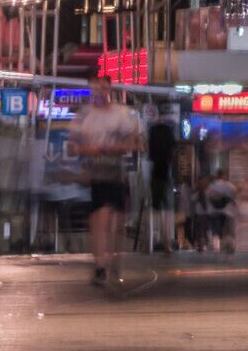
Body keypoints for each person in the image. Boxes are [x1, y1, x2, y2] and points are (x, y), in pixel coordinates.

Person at [74, 85, 142, 286]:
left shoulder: (121, 114)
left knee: (117, 222)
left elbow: (133, 142)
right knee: (100, 219)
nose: (100, 93)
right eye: (96, 89)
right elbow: (76, 145)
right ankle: (101, 265)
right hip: (99, 173)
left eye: (103, 89)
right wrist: (93, 150)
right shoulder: (86, 115)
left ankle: (113, 261)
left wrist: (113, 147)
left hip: (117, 173)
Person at [145, 113, 178, 253]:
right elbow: (174, 150)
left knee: (156, 208)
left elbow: (149, 153)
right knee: (168, 209)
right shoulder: (170, 130)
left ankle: (152, 241)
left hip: (155, 173)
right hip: (167, 173)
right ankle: (166, 241)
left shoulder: (152, 131)